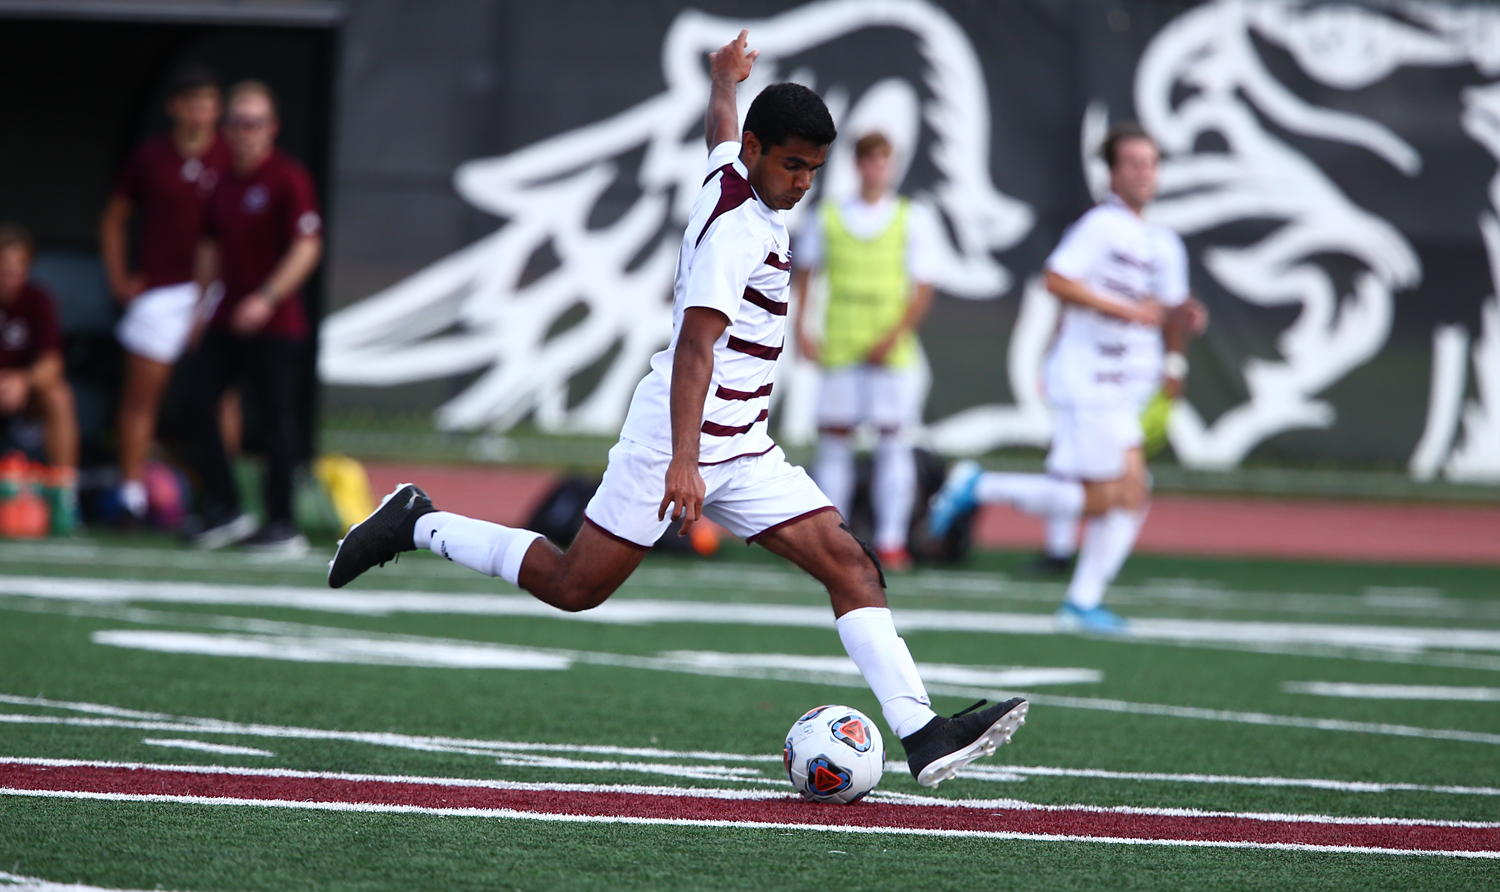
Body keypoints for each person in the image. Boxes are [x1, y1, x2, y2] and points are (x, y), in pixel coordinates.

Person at [328, 30, 1027, 788]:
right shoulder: (735, 231)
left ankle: (920, 732)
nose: (802, 183)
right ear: (762, 152)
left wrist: (723, 79)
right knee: (574, 587)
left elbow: (720, 135)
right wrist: (686, 461)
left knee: (852, 566)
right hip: (677, 439)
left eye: (813, 171)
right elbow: (696, 350)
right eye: (792, 165)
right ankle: (416, 521)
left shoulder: (736, 173)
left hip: (742, 443)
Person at [928, 123, 1203, 632]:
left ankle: (1079, 599)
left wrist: (1177, 344)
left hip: (1123, 386)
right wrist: (1121, 309)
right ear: (1113, 172)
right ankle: (982, 488)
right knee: (1113, 495)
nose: (1144, 173)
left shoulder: (1161, 241)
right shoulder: (1101, 226)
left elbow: (1166, 311)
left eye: (1151, 163)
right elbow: (1057, 279)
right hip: (1089, 379)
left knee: (1128, 492)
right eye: (1133, 163)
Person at [792, 132, 940, 573]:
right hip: (840, 342)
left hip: (890, 351)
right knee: (834, 444)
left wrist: (894, 335)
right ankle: (833, 541)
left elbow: (923, 287)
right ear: (857, 165)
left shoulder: (911, 217)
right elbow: (806, 273)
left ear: (891, 166)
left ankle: (892, 541)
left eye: (882, 161)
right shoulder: (830, 215)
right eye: (868, 161)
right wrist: (802, 325)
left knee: (894, 442)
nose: (875, 170)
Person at [184, 79, 322, 554]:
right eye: (239, 123)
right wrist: (200, 306)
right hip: (225, 318)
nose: (246, 132)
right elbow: (209, 245)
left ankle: (283, 523)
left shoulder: (288, 178)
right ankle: (226, 507)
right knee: (196, 402)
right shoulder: (220, 179)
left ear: (272, 127)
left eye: (255, 123)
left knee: (272, 420)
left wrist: (266, 297)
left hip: (276, 324)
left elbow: (307, 246)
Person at [100, 64, 231, 525]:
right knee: (141, 397)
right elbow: (114, 220)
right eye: (193, 102)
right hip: (158, 291)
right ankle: (132, 496)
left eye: (209, 103)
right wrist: (121, 279)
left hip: (214, 294)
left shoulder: (229, 157)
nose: (201, 113)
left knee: (219, 398)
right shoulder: (150, 159)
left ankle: (221, 496)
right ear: (175, 107)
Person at [0, 224, 77, 472]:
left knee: (58, 395)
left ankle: (63, 493)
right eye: (5, 266)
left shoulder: (38, 299)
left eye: (18, 266)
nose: (12, 274)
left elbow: (52, 363)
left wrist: (22, 380)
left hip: (23, 397)